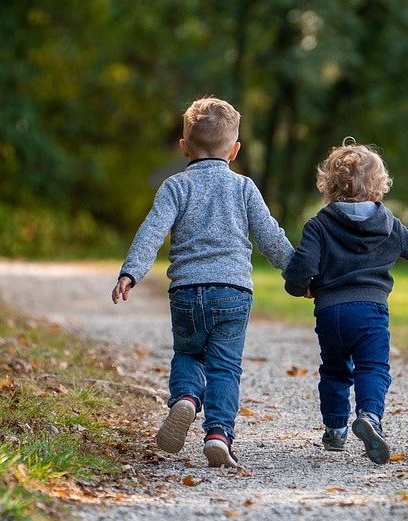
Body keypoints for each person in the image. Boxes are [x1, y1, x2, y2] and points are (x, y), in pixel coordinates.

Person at [111, 96, 294, 468]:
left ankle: (186, 398)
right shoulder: (244, 188)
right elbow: (269, 236)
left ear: (183, 148)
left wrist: (131, 272)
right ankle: (218, 434)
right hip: (233, 293)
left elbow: (151, 232)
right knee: (225, 367)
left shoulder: (175, 187)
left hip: (186, 292)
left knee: (188, 353)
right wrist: (297, 273)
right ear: (235, 150)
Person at [282, 138, 408, 464]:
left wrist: (300, 288)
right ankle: (369, 416)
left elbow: (302, 267)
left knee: (334, 369)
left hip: (330, 313)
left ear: (328, 185)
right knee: (372, 366)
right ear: (379, 186)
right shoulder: (389, 226)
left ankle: (335, 430)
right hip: (371, 313)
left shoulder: (319, 225)